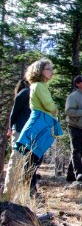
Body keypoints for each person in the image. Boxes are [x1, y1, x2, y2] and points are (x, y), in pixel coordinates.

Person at [14, 59, 63, 196]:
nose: (51, 72)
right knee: (33, 158)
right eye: (48, 69)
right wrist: (54, 109)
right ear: (39, 71)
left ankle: (30, 189)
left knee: (34, 158)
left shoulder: (40, 86)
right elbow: (50, 106)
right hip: (39, 123)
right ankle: (28, 190)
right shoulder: (39, 86)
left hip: (41, 122)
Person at [3, 79, 31, 195]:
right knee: (16, 161)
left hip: (27, 132)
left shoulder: (35, 93)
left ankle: (16, 193)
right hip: (19, 131)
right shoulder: (25, 92)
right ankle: (7, 194)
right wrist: (11, 128)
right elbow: (14, 113)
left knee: (23, 163)